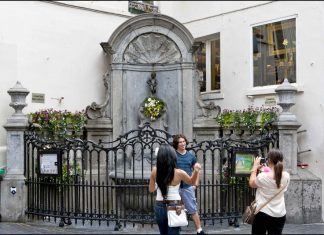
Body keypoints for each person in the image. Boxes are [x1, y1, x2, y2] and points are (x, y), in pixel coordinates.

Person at [149, 144, 202, 235]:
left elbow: (151, 189)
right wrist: (196, 171)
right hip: (175, 206)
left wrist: (159, 183)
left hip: (159, 206)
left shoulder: (154, 170)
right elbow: (192, 182)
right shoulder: (179, 172)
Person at [249, 149, 290, 235]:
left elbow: (252, 183)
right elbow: (274, 174)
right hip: (279, 214)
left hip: (263, 213)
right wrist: (264, 169)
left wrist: (254, 168)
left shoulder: (262, 177)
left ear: (269, 160)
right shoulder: (286, 176)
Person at [172, 134, 205, 235]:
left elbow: (197, 170)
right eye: (180, 142)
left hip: (187, 187)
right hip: (175, 187)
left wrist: (195, 184)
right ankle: (176, 228)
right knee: (175, 208)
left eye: (183, 141)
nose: (182, 143)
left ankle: (199, 230)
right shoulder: (173, 155)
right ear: (176, 144)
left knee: (192, 209)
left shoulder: (191, 156)